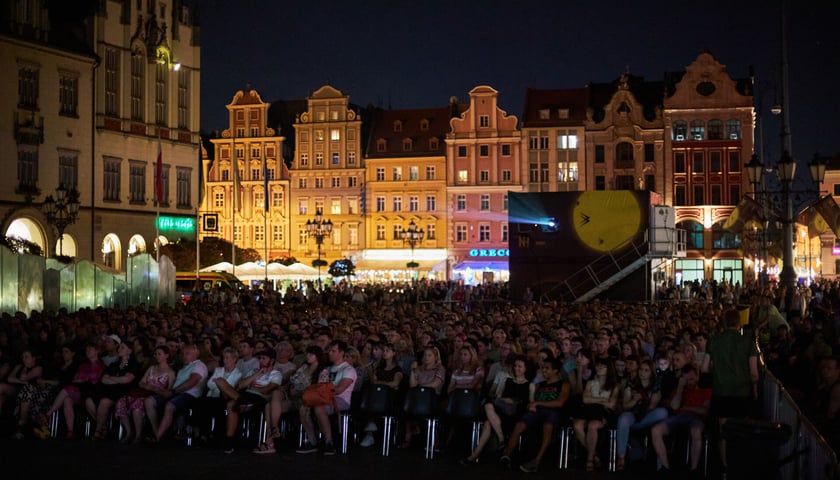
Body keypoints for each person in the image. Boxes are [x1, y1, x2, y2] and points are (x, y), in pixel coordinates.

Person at [702, 307, 760, 474]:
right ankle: (741, 465)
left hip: (721, 391)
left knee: (724, 431)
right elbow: (754, 373)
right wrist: (754, 388)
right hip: (742, 392)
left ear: (724, 322)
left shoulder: (714, 341)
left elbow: (704, 368)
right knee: (742, 429)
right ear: (739, 322)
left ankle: (725, 467)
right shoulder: (748, 342)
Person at [499, 356, 570, 473]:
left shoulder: (563, 384)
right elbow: (531, 402)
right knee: (519, 425)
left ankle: (537, 460)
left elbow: (560, 402)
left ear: (555, 370)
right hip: (537, 411)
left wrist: (537, 403)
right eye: (542, 368)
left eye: (547, 368)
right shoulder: (539, 385)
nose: (544, 370)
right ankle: (507, 454)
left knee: (548, 425)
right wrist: (531, 405)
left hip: (553, 411)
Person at [462, 355, 533, 464]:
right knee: (488, 409)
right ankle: (499, 441)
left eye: (520, 366)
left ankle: (475, 455)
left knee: (487, 423)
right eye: (515, 366)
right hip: (502, 412)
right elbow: (498, 398)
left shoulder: (530, 385)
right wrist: (506, 400)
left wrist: (514, 401)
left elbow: (529, 403)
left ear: (525, 369)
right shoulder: (507, 381)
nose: (516, 368)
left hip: (517, 413)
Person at [297, 340, 357, 456]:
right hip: (325, 397)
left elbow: (339, 389)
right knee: (304, 408)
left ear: (341, 352)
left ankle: (329, 442)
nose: (329, 353)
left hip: (340, 400)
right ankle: (313, 441)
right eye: (329, 351)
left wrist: (322, 389)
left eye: (333, 351)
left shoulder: (348, 370)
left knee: (319, 407)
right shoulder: (328, 369)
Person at [650, 364, 712, 475]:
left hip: (695, 419)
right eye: (686, 380)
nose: (689, 382)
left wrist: (685, 407)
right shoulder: (679, 390)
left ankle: (694, 470)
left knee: (696, 431)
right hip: (677, 418)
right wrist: (680, 387)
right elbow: (674, 406)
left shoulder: (705, 391)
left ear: (697, 376)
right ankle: (665, 468)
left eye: (691, 379)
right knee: (655, 430)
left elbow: (704, 410)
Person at [223, 349, 281, 454]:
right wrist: (256, 374)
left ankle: (237, 399)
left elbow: (267, 390)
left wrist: (254, 388)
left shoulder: (276, 374)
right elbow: (240, 385)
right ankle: (229, 441)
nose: (261, 361)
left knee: (232, 402)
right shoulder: (253, 371)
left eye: (264, 358)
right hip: (245, 395)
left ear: (272, 361)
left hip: (259, 398)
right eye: (260, 358)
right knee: (230, 404)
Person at [615, 358, 669, 471]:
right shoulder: (631, 383)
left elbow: (652, 406)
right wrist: (634, 401)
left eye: (646, 370)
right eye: (641, 369)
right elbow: (625, 406)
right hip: (633, 415)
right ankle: (621, 457)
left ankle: (662, 465)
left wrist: (643, 398)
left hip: (647, 416)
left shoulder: (656, 383)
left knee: (662, 412)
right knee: (623, 418)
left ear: (651, 372)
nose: (642, 372)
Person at [115, 345, 175, 444]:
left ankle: (138, 435)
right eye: (155, 354)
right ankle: (129, 432)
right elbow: (141, 382)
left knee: (137, 404)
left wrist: (154, 389)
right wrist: (147, 386)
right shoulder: (152, 368)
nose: (157, 356)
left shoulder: (170, 372)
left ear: (167, 355)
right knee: (121, 401)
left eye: (159, 354)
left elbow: (169, 391)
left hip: (155, 396)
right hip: (144, 392)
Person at [45, 341, 105, 439]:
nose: (87, 351)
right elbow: (75, 379)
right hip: (80, 392)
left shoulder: (101, 365)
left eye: (90, 349)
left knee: (68, 391)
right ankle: (70, 431)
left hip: (93, 392)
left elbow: (94, 380)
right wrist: (85, 379)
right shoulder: (83, 365)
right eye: (86, 350)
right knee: (67, 399)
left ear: (97, 351)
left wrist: (84, 379)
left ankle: (48, 414)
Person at [572, 357, 619, 472]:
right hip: (589, 409)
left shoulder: (614, 385)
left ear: (609, 369)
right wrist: (602, 400)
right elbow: (585, 399)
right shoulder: (590, 382)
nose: (599, 368)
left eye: (602, 366)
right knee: (577, 424)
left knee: (593, 425)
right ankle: (595, 455)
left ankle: (590, 459)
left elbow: (612, 403)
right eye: (597, 366)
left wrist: (594, 399)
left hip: (603, 412)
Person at [153, 343, 208, 442]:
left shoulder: (199, 365)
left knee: (170, 405)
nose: (184, 356)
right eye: (183, 354)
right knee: (150, 401)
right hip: (177, 393)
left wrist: (173, 391)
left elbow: (192, 382)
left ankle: (157, 436)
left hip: (190, 395)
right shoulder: (183, 368)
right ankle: (157, 431)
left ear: (196, 353)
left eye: (188, 353)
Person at [86, 340, 140, 440]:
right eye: (119, 347)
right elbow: (103, 379)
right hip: (107, 389)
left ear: (129, 351)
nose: (119, 349)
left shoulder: (133, 364)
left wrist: (112, 379)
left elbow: (127, 380)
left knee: (104, 401)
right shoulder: (114, 364)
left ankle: (98, 431)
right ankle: (103, 427)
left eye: (122, 347)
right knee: (88, 400)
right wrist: (118, 380)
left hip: (122, 391)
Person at [399, 346, 446, 449]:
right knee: (406, 407)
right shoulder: (419, 369)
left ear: (435, 357)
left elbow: (436, 384)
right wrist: (413, 370)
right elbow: (412, 385)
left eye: (429, 355)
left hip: (432, 397)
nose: (426, 357)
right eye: (425, 355)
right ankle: (408, 438)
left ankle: (434, 441)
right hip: (417, 397)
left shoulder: (440, 368)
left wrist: (421, 388)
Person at [192, 346, 242, 442]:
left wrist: (218, 382)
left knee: (212, 405)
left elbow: (230, 388)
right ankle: (203, 432)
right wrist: (220, 384)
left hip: (224, 398)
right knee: (199, 402)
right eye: (224, 357)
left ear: (234, 359)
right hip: (212, 396)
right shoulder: (218, 370)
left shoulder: (238, 374)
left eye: (227, 357)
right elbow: (209, 384)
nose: (225, 360)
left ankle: (212, 434)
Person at [359, 342, 403, 448]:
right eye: (384, 351)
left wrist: (381, 383)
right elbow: (374, 382)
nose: (385, 353)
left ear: (394, 353)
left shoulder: (397, 370)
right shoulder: (378, 369)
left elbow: (395, 383)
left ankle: (372, 427)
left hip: (390, 399)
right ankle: (370, 430)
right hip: (377, 397)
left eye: (388, 351)